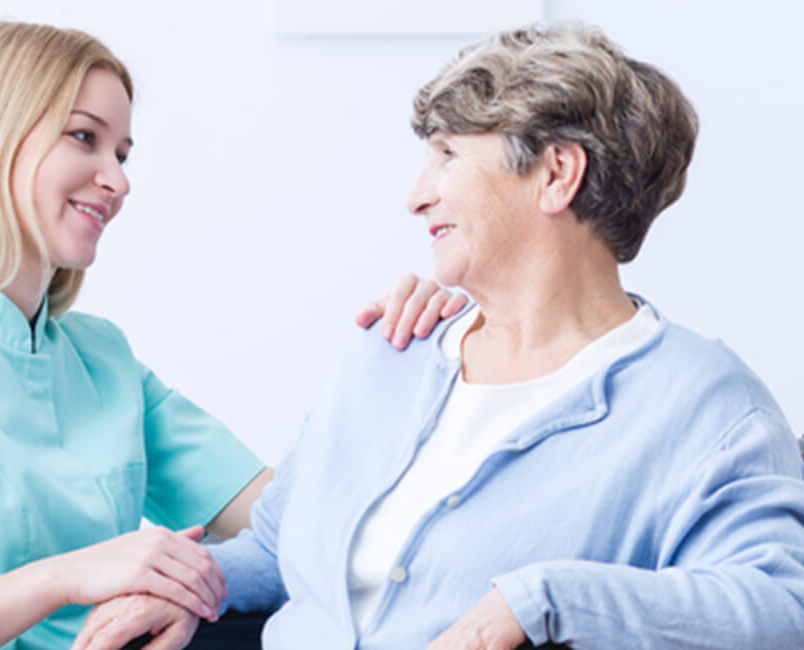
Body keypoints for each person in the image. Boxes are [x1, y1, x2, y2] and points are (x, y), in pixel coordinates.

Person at [74, 23, 804, 650]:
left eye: (448, 154)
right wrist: (194, 585)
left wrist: (542, 599)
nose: (416, 193)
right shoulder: (392, 352)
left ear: (556, 174)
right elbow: (279, 544)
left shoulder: (706, 407)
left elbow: (782, 608)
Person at [0, 21, 462, 650]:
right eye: (85, 137)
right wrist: (63, 578)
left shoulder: (103, 362)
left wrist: (402, 356)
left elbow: (299, 518)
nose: (117, 179)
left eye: (123, 151)